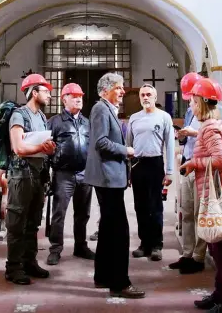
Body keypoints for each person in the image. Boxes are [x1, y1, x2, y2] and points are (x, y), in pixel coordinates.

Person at [180, 78, 222, 313]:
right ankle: (219, 295)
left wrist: (193, 163)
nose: (190, 107)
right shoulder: (217, 123)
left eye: (193, 102)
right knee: (217, 249)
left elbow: (219, 160)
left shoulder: (209, 128)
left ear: (201, 103)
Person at [84, 72, 145, 299]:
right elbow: (100, 142)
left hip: (110, 177)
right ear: (104, 91)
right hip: (107, 178)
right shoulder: (101, 108)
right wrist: (126, 151)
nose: (122, 91)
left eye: (121, 88)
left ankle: (102, 276)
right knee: (119, 232)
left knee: (109, 230)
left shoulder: (108, 109)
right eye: (118, 88)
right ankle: (120, 282)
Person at [170, 73, 222, 274]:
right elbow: (191, 137)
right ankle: (186, 253)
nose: (190, 102)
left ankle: (198, 256)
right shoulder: (190, 110)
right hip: (189, 162)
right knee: (186, 211)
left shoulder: (216, 109)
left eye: (192, 98)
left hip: (203, 169)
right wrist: (182, 136)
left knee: (198, 213)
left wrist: (196, 133)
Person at [5, 73, 56, 285]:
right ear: (34, 93)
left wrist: (49, 149)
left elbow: (40, 145)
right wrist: (41, 148)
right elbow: (18, 148)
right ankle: (13, 267)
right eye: (46, 91)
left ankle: (29, 261)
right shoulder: (19, 115)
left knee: (33, 222)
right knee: (17, 221)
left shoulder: (42, 117)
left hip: (38, 174)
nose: (50, 96)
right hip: (21, 174)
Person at [47, 82, 94, 265]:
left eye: (80, 97)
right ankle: (56, 249)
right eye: (74, 96)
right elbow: (46, 148)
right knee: (59, 213)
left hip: (84, 173)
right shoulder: (55, 122)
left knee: (83, 213)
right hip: (63, 174)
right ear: (64, 99)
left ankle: (80, 246)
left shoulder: (86, 122)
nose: (78, 99)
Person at [127, 84, 174, 261]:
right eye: (142, 95)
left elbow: (169, 145)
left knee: (155, 206)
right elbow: (128, 145)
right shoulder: (134, 118)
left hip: (155, 164)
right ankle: (144, 243)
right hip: (138, 164)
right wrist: (128, 172)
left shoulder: (164, 117)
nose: (145, 98)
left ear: (155, 97)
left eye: (149, 95)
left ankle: (156, 244)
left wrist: (169, 172)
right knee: (140, 206)